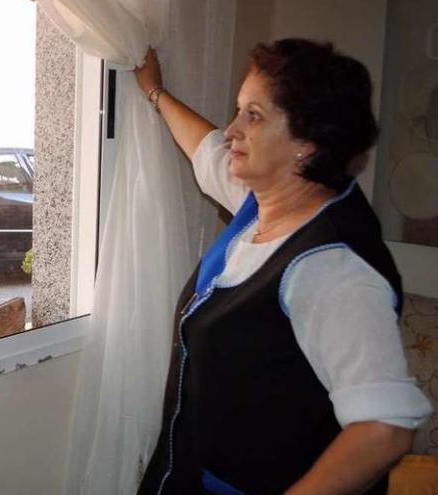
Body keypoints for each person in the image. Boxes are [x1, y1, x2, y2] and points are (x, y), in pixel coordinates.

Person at [133, 39, 433, 495]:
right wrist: (156, 92)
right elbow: (208, 149)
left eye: (253, 116)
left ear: (307, 145)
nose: (233, 129)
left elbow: (386, 426)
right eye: (238, 110)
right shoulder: (267, 202)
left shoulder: (332, 267)